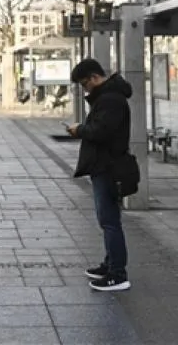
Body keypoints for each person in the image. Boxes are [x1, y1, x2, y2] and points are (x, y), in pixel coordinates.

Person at [66, 58, 132, 292]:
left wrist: (79, 130)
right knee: (107, 219)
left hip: (108, 166)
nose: (85, 89)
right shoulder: (107, 98)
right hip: (104, 165)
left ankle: (117, 274)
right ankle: (110, 263)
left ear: (95, 77)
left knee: (110, 221)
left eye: (85, 84)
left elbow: (102, 132)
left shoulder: (110, 100)